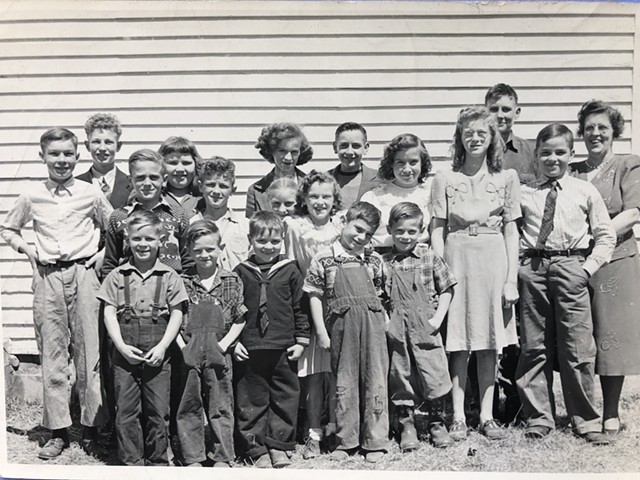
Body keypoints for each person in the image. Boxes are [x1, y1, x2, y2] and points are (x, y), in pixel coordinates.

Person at [1, 128, 111, 460]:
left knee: (89, 352)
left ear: (77, 156)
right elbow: (8, 228)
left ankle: (91, 429)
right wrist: (28, 251)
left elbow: (116, 227)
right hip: (48, 276)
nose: (61, 160)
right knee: (52, 353)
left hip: (84, 274)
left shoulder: (90, 193)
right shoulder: (32, 195)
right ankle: (58, 431)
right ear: (42, 156)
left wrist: (103, 256)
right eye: (54, 154)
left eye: (67, 154)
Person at [516, 123, 615, 444]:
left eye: (560, 152)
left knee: (577, 345)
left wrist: (586, 269)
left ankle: (585, 419)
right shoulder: (525, 192)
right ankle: (538, 417)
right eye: (545, 153)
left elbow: (605, 234)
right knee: (534, 345)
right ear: (536, 157)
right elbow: (511, 231)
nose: (552, 158)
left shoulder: (584, 190)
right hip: (533, 267)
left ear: (571, 155)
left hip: (572, 264)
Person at [431, 106, 521, 441]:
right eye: (468, 133)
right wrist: (438, 277)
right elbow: (437, 230)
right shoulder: (445, 179)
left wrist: (511, 279)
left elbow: (512, 232)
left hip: (493, 261)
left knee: (489, 343)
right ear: (460, 137)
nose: (475, 138)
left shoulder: (505, 178)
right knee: (458, 343)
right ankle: (457, 416)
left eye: (481, 133)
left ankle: (486, 416)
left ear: (492, 137)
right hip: (456, 261)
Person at [570, 101, 640, 435]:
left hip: (614, 260)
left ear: (614, 132)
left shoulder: (628, 165)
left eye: (602, 128)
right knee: (579, 336)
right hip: (575, 263)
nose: (595, 134)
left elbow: (634, 212)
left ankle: (610, 411)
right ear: (581, 132)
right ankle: (581, 410)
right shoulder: (572, 170)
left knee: (612, 336)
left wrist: (595, 237)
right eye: (589, 128)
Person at [98, 210, 188, 465]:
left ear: (160, 240)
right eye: (137, 238)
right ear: (128, 240)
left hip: (158, 347)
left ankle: (157, 462)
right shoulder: (117, 275)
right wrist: (120, 346)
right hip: (124, 348)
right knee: (126, 411)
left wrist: (162, 347)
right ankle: (131, 463)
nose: (143, 244)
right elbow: (109, 313)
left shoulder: (170, 276)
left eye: (149, 238)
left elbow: (177, 315)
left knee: (158, 410)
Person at [304, 201, 389, 463]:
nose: (361, 237)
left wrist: (384, 325)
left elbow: (382, 295)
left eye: (368, 234)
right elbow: (315, 296)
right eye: (358, 229)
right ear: (344, 222)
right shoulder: (324, 257)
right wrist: (321, 331)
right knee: (344, 383)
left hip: (373, 329)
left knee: (375, 380)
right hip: (341, 330)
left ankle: (374, 441)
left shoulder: (374, 259)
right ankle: (345, 440)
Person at [233, 211, 309, 468]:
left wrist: (300, 341)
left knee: (284, 395)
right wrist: (235, 342)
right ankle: (255, 448)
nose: (268, 247)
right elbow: (233, 309)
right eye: (262, 241)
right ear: (250, 240)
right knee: (251, 398)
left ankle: (279, 445)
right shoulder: (240, 272)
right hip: (250, 345)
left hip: (283, 346)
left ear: (283, 241)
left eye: (275, 242)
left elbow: (300, 307)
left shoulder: (290, 271)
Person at [383, 202, 456, 451]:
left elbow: (447, 288)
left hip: (426, 324)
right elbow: (380, 297)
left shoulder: (430, 256)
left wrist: (437, 319)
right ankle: (407, 425)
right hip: (397, 327)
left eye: (412, 232)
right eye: (400, 231)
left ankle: (437, 423)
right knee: (401, 374)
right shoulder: (384, 262)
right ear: (390, 229)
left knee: (434, 372)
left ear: (421, 230)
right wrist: (386, 322)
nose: (405, 237)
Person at [176, 220, 247, 467]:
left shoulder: (231, 280)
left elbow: (240, 317)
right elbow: (173, 317)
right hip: (190, 352)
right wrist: (182, 346)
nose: (204, 255)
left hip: (219, 352)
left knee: (221, 405)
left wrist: (225, 344)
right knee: (189, 405)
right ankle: (192, 456)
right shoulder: (182, 281)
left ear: (220, 248)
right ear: (188, 251)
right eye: (198, 251)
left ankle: (222, 456)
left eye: (210, 249)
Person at [283, 170, 342, 459]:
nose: (320, 202)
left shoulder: (341, 226)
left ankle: (335, 427)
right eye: (314, 196)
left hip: (338, 303)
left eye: (326, 196)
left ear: (335, 200)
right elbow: (291, 263)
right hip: (308, 302)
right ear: (304, 199)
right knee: (314, 373)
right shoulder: (294, 226)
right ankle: (314, 430)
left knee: (335, 370)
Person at [102, 149, 192, 277]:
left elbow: (188, 261)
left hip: (170, 289)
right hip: (129, 288)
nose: (147, 183)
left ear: (164, 179)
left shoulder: (178, 215)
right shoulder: (119, 217)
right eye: (140, 178)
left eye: (154, 177)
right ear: (130, 180)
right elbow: (110, 263)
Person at [361, 133, 432, 250]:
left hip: (419, 257)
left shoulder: (430, 196)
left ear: (422, 163)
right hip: (381, 257)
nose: (407, 169)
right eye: (400, 162)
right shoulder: (375, 197)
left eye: (413, 162)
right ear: (391, 164)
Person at [191, 156, 250, 271]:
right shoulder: (191, 224)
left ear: (233, 190)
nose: (216, 191)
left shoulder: (245, 226)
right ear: (200, 186)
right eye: (211, 185)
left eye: (223, 186)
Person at [245, 123, 312, 218]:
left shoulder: (310, 186)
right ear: (271, 151)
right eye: (282, 151)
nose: (288, 158)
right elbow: (252, 228)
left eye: (294, 152)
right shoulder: (256, 191)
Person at [76, 113, 132, 209]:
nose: (102, 148)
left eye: (108, 142)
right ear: (87, 146)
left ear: (118, 146)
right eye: (96, 142)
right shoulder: (76, 184)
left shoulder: (131, 185)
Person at [485, 83, 537, 185]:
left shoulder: (533, 152)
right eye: (494, 109)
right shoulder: (475, 151)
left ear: (516, 112)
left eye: (506, 109)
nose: (500, 115)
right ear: (485, 112)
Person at [326, 122, 380, 210]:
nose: (349, 152)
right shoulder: (325, 179)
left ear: (365, 148)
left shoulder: (378, 179)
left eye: (356, 146)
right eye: (344, 145)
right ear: (335, 147)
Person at [158, 136, 202, 218]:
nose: (180, 169)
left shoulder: (204, 198)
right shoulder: (154, 197)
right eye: (173, 163)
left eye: (186, 163)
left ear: (196, 164)